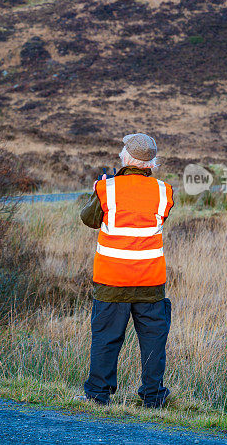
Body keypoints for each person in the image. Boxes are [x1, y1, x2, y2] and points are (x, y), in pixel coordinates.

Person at [76, 133, 173, 408]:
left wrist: (98, 191)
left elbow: (89, 219)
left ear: (126, 157)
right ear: (151, 163)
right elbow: (159, 216)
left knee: (106, 339)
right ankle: (154, 398)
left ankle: (97, 395)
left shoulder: (108, 189)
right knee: (153, 341)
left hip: (111, 279)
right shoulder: (164, 191)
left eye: (122, 150)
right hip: (151, 281)